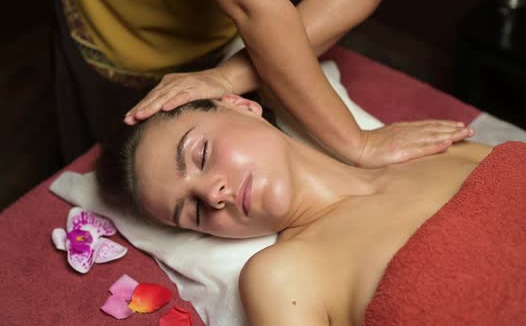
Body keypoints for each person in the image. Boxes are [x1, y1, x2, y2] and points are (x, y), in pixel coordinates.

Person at [94, 96, 521, 325]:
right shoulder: (282, 275)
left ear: (240, 105)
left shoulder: (432, 147)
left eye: (202, 154)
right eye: (192, 211)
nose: (214, 194)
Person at [53, 0, 472, 165]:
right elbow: (256, 7)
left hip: (225, 26)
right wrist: (356, 143)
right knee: (124, 160)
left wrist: (228, 74)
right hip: (125, 33)